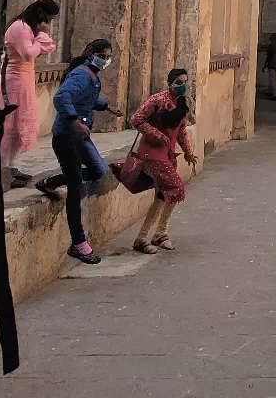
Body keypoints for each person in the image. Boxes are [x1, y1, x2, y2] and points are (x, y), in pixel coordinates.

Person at [38, 39, 116, 264]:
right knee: (75, 188)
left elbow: (87, 99)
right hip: (66, 137)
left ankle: (51, 182)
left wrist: (106, 106)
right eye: (102, 55)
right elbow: (62, 97)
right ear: (91, 53)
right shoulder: (81, 75)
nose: (105, 60)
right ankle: (79, 243)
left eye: (108, 56)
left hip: (80, 137)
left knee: (98, 170)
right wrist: (74, 120)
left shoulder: (92, 77)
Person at [131, 68, 197, 253]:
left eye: (185, 81)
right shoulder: (157, 100)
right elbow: (136, 119)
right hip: (151, 154)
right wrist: (157, 135)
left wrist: (188, 152)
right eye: (179, 82)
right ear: (170, 84)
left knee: (163, 194)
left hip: (167, 155)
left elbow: (181, 130)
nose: (183, 85)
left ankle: (158, 233)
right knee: (175, 189)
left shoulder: (183, 103)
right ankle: (145, 236)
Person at [0, 0, 60, 185]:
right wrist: (42, 37)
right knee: (10, 125)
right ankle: (3, 171)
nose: (46, 23)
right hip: (14, 80)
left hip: (24, 79)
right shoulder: (20, 27)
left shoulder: (27, 28)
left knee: (21, 124)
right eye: (47, 18)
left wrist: (40, 37)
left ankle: (11, 166)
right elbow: (28, 53)